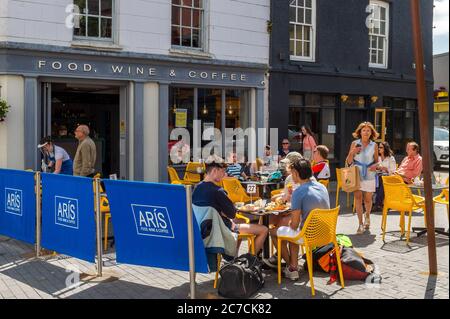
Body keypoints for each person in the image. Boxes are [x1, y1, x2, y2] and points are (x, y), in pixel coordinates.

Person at [267, 159, 330, 280]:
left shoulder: (299, 192)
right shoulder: (322, 186)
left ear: (296, 173)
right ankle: (293, 266)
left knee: (274, 232)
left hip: (309, 235)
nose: (291, 175)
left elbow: (294, 225)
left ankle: (292, 267)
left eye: (292, 173)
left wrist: (290, 223)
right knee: (293, 234)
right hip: (326, 234)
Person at [192, 162, 268, 255]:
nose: (224, 174)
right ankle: (249, 260)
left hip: (202, 229)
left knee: (239, 221)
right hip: (220, 230)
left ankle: (234, 259)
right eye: (223, 171)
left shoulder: (197, 187)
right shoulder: (218, 191)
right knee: (263, 229)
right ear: (215, 171)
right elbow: (232, 214)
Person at [346, 122, 379, 234]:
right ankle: (360, 224)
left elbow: (376, 161)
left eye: (368, 130)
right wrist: (352, 152)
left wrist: (376, 165)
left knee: (368, 199)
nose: (366, 132)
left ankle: (368, 215)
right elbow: (349, 161)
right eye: (363, 130)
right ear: (360, 132)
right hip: (356, 173)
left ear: (371, 133)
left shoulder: (374, 145)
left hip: (369, 173)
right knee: (358, 199)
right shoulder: (354, 143)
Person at [373, 141, 397, 210]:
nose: (379, 149)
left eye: (381, 147)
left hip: (389, 178)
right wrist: (377, 168)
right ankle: (376, 203)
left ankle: (378, 204)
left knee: (382, 181)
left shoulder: (390, 158)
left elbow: (393, 171)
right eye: (378, 147)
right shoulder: (378, 158)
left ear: (385, 148)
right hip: (379, 176)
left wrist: (385, 169)